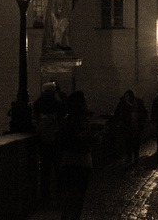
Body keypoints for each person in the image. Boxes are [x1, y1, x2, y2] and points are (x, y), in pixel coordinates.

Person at [55, 91, 94, 220]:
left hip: (68, 161)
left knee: (69, 198)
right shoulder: (83, 120)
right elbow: (82, 142)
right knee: (78, 199)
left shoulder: (67, 121)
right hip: (82, 162)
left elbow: (62, 141)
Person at [33, 82, 65, 197]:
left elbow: (35, 120)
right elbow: (62, 120)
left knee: (45, 168)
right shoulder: (58, 104)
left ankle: (44, 193)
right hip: (56, 139)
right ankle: (59, 192)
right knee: (57, 167)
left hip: (42, 139)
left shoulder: (38, 104)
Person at [113, 89, 147, 167]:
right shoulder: (122, 104)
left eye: (128, 96)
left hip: (135, 126)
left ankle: (135, 156)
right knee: (128, 142)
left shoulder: (137, 103)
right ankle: (129, 156)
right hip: (127, 126)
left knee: (135, 142)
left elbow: (144, 113)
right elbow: (117, 113)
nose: (127, 98)